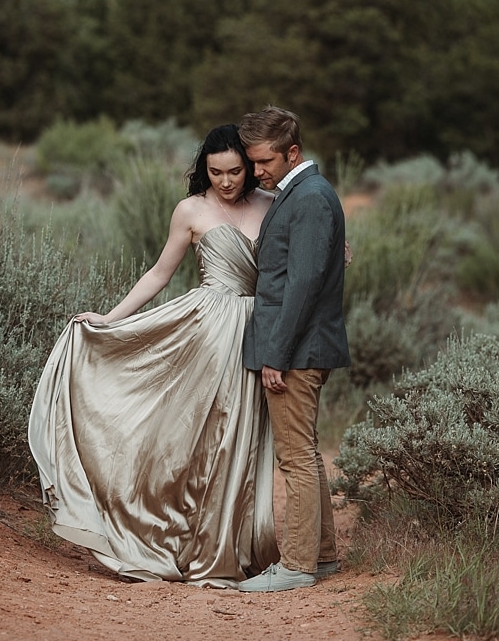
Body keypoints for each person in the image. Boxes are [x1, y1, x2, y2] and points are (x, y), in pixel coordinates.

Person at [28, 125, 278, 584]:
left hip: (259, 329)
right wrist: (110, 318)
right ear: (204, 168)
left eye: (235, 171)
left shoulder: (271, 203)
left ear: (250, 166)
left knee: (241, 437)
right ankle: (163, 531)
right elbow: (160, 273)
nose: (225, 181)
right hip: (205, 332)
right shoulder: (191, 210)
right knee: (194, 439)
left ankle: (228, 545)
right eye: (215, 171)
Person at [237, 107, 351, 594]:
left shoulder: (309, 199)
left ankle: (297, 565)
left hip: (298, 351)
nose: (256, 171)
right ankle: (321, 557)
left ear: (293, 153)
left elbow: (302, 285)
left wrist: (275, 355)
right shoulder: (303, 193)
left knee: (296, 458)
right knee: (305, 451)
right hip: (303, 347)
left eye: (264, 162)